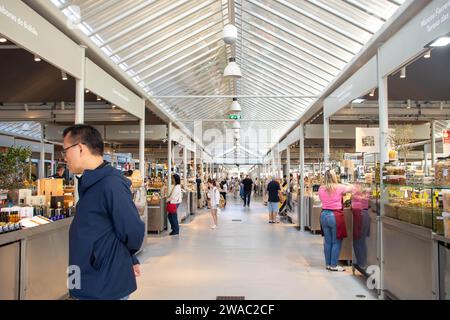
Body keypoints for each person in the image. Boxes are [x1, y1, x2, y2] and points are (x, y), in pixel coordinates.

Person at [62, 124, 145, 300]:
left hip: (103, 284)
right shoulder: (91, 182)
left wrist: (125, 256)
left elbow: (132, 230)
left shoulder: (110, 184)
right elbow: (105, 229)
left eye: (65, 150)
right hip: (89, 279)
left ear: (80, 148)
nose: (64, 158)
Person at [318, 169, 353, 272]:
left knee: (327, 242)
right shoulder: (339, 187)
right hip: (335, 216)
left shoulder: (320, 188)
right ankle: (334, 265)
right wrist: (347, 183)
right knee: (336, 242)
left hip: (323, 215)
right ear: (334, 177)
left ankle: (328, 264)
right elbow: (352, 188)